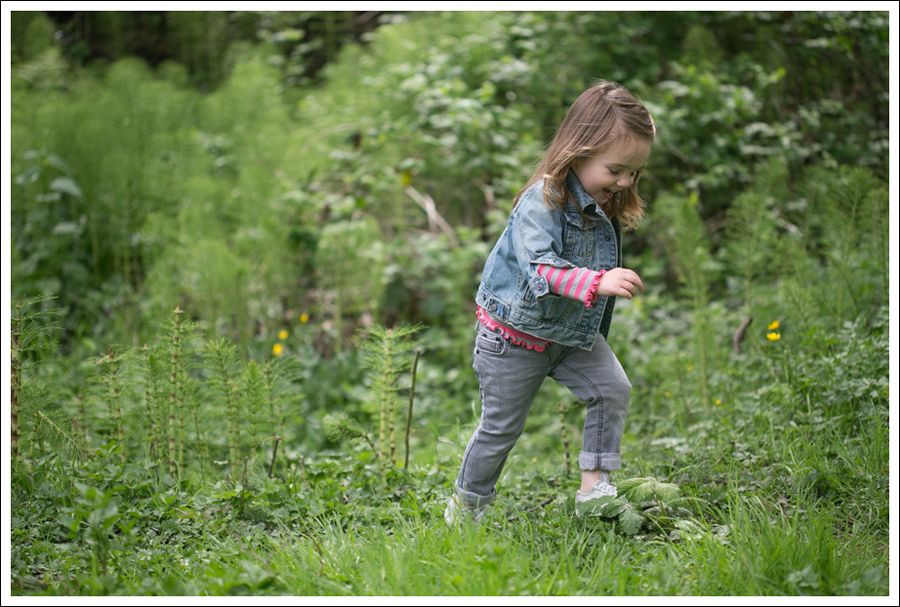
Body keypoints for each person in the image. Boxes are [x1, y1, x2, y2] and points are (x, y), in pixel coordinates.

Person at [445, 81, 655, 524]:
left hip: (569, 333)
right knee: (501, 429)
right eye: (616, 169)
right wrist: (597, 281)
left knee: (612, 389)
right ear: (578, 152)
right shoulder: (540, 202)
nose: (624, 182)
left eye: (634, 173)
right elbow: (540, 268)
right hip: (513, 339)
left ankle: (595, 492)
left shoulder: (601, 201)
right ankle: (466, 510)